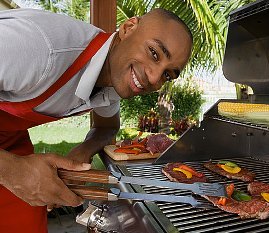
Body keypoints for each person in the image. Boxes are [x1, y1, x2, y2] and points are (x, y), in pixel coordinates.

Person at [0, 7, 193, 233]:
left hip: (11, 146)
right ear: (128, 28)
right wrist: (12, 170)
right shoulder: (37, 47)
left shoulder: (111, 73)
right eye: (153, 53)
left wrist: (83, 151)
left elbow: (107, 125)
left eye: (167, 74)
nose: (154, 78)